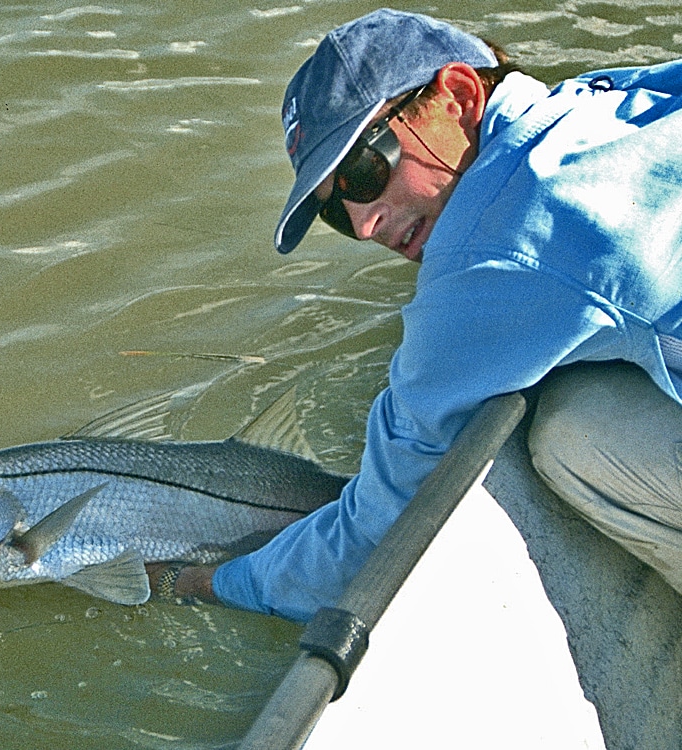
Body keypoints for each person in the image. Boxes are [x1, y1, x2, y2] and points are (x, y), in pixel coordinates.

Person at [149, 8, 682, 622]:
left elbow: (379, 531)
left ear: (455, 97)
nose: (364, 223)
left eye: (362, 171)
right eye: (334, 213)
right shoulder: (613, 102)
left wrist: (202, 582)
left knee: (574, 439)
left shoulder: (497, 243)